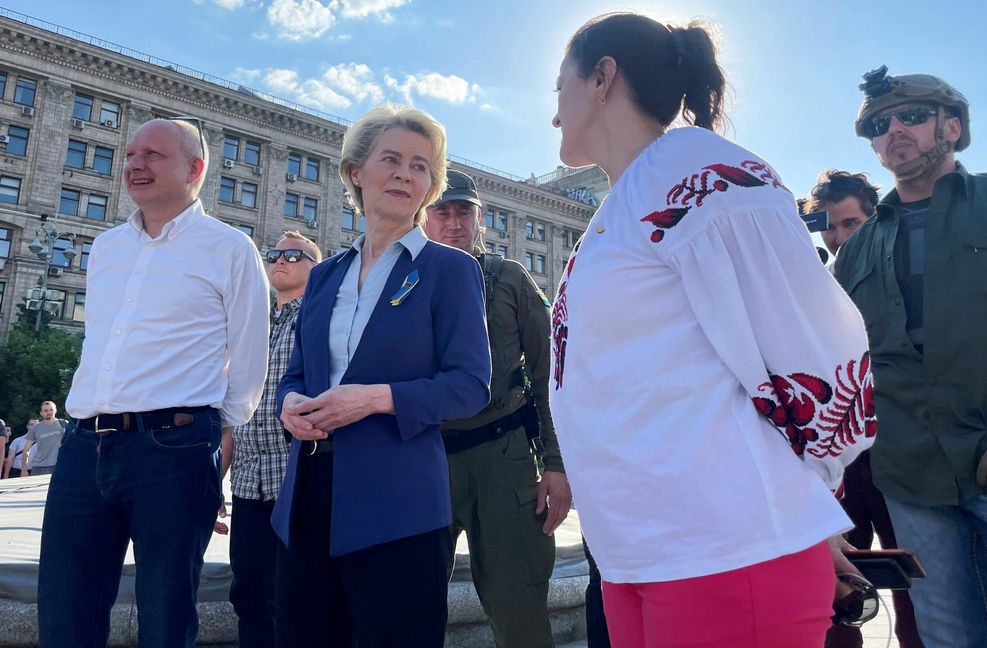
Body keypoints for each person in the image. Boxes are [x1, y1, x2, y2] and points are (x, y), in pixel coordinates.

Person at [548, 13, 875, 647]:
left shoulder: (698, 172)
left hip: (726, 545)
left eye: (558, 86)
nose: (554, 112)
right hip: (640, 549)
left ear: (602, 78)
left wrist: (810, 502)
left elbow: (814, 341)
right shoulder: (621, 203)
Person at [39, 117, 270, 648]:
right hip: (83, 445)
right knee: (64, 611)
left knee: (165, 616)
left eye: (153, 155)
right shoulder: (106, 247)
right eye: (131, 154)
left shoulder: (230, 249)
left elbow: (250, 361)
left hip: (174, 449)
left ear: (196, 168)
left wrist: (209, 434)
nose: (135, 165)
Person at [271, 106, 491, 648]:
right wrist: (289, 403)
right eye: (390, 159)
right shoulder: (322, 276)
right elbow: (296, 373)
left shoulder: (449, 270)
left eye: (420, 166)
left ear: (429, 187)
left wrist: (375, 399)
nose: (404, 174)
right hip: (310, 499)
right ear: (355, 173)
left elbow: (470, 384)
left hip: (399, 505)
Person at [834, 66, 987, 648]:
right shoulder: (858, 249)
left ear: (952, 125)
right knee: (946, 631)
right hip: (910, 474)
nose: (894, 129)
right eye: (879, 124)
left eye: (913, 116)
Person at [424, 169, 572, 647]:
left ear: (479, 218)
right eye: (441, 211)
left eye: (463, 211)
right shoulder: (403, 282)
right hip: (425, 460)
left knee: (519, 612)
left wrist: (555, 463)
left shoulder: (508, 278)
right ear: (424, 218)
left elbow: (550, 375)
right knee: (408, 606)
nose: (452, 222)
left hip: (503, 457)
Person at [805, 170, 922, 648]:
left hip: (899, 455)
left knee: (911, 584)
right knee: (835, 585)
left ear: (875, 221)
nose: (838, 237)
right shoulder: (814, 285)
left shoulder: (899, 276)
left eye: (850, 224)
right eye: (830, 226)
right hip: (839, 463)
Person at [220, 230, 321, 648]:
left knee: (296, 597)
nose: (280, 260)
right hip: (247, 484)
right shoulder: (253, 324)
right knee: (249, 594)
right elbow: (231, 414)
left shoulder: (318, 319)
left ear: (317, 270)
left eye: (295, 255)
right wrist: (214, 482)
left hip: (294, 481)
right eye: (274, 254)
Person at [21, 401, 69, 476]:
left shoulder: (64, 424)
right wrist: (24, 469)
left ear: (55, 410)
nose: (49, 412)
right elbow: (26, 449)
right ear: (41, 413)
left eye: (51, 410)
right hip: (39, 467)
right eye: (46, 410)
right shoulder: (35, 428)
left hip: (59, 465)